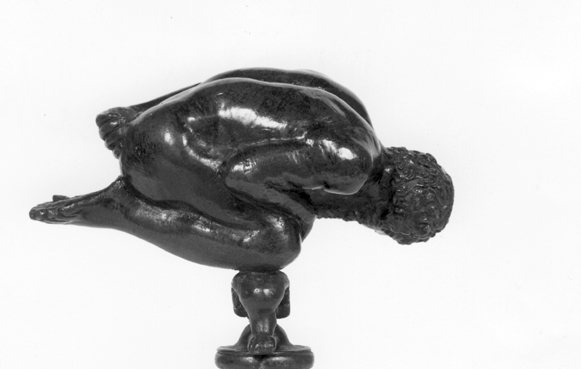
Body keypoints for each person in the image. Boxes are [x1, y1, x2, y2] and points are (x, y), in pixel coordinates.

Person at [30, 68, 454, 272]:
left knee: (285, 225)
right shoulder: (352, 167)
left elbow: (242, 78)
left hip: (161, 131)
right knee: (280, 244)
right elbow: (242, 174)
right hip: (168, 155)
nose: (357, 220)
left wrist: (140, 113)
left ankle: (130, 177)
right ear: (383, 210)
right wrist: (303, 213)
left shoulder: (356, 115)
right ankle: (121, 208)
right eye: (376, 224)